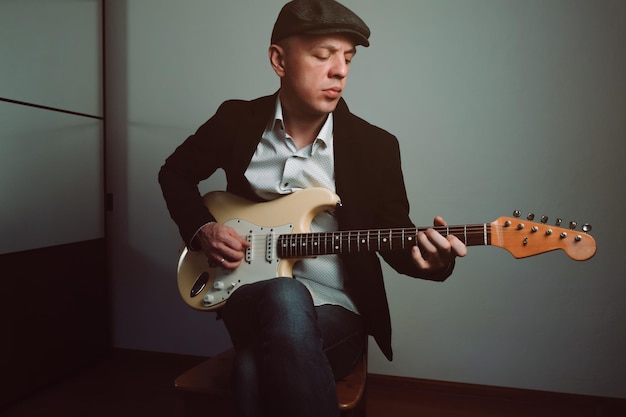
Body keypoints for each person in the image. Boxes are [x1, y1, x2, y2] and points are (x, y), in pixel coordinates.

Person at [159, 1, 467, 416]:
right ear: (279, 59)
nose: (340, 70)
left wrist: (433, 262)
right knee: (285, 297)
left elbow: (396, 238)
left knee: (252, 368)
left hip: (338, 312)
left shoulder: (376, 148)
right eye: (323, 55)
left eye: (348, 58)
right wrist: (202, 229)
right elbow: (174, 173)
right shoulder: (237, 120)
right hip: (249, 295)